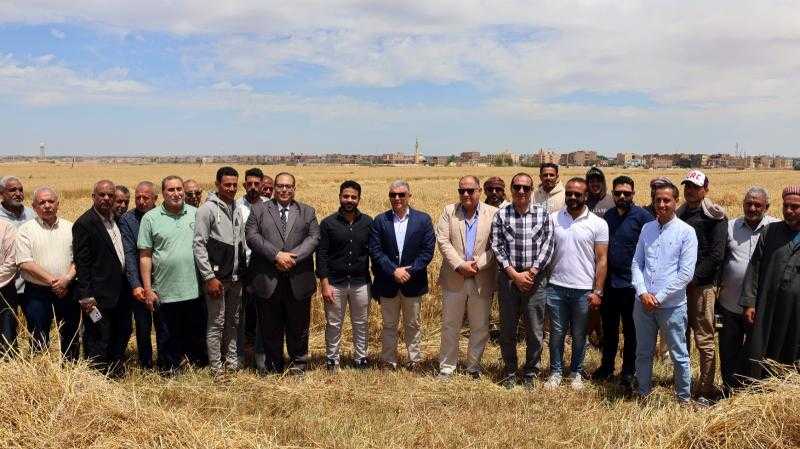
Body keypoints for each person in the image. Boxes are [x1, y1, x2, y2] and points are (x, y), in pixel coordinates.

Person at [245, 172, 319, 374]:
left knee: (299, 327)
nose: (284, 190)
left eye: (288, 186)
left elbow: (313, 239)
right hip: (268, 280)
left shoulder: (307, 211)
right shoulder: (258, 210)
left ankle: (298, 366)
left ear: (294, 188)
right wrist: (276, 255)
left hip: (298, 280)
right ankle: (273, 366)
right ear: (273, 188)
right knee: (270, 327)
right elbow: (251, 236)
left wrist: (290, 258)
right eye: (280, 186)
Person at [631, 180, 697, 403]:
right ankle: (643, 393)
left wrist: (657, 298)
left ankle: (683, 398)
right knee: (643, 352)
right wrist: (642, 292)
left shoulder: (686, 232)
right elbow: (637, 263)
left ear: (676, 201)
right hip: (643, 304)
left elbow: (685, 274)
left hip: (671, 306)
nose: (661, 204)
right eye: (657, 200)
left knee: (679, 355)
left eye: (666, 200)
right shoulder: (647, 228)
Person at [544, 177, 608, 391]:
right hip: (556, 287)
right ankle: (555, 372)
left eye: (577, 194)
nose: (572, 197)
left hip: (583, 290)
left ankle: (576, 372)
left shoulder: (598, 224)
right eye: (569, 193)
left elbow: (602, 260)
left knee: (580, 335)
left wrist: (598, 291)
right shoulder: (553, 219)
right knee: (557, 334)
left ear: (586, 196)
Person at [491, 172, 554, 388]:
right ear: (511, 189)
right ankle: (510, 371)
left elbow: (548, 246)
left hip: (535, 280)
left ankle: (531, 372)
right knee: (507, 330)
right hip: (509, 279)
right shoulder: (501, 215)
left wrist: (532, 273)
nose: (521, 191)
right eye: (517, 187)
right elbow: (497, 246)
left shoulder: (543, 214)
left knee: (535, 331)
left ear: (531, 190)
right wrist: (514, 275)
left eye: (526, 188)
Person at [138, 176, 205, 373]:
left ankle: (193, 367)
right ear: (163, 194)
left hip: (194, 289)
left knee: (193, 333)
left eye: (179, 189)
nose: (176, 194)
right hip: (165, 290)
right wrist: (148, 289)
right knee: (167, 335)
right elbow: (145, 256)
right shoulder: (150, 218)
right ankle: (169, 370)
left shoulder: (196, 214)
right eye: (171, 190)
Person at [593, 176, 653, 391]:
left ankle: (628, 371)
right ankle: (607, 366)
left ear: (633, 194)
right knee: (609, 330)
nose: (622, 196)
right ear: (613, 194)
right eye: (618, 193)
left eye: (626, 193)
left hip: (632, 286)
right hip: (610, 284)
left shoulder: (643, 218)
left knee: (631, 332)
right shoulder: (607, 217)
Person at [369, 180, 435, 371]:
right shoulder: (380, 220)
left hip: (413, 282)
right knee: (389, 325)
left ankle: (414, 360)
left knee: (413, 324)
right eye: (393, 195)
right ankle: (388, 361)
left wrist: (408, 271)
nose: (397, 198)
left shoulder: (423, 220)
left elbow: (427, 251)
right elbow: (375, 250)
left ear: (409, 196)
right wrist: (393, 271)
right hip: (387, 283)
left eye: (401, 194)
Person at [436, 176, 497, 379]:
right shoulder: (449, 211)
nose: (466, 194)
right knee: (450, 325)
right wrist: (460, 265)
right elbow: (443, 240)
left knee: (479, 326)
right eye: (461, 190)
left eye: (470, 190)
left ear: (479, 191)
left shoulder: (493, 213)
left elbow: (496, 245)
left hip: (482, 277)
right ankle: (447, 367)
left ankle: (473, 367)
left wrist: (478, 265)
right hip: (454, 277)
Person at [717, 187, 778, 394]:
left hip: (760, 308)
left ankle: (752, 393)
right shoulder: (730, 227)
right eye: (748, 204)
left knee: (756, 353)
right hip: (729, 304)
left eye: (757, 205)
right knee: (728, 350)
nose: (752, 208)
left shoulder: (775, 229)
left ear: (766, 207)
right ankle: (729, 390)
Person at [741, 186, 800, 379]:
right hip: (767, 305)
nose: (789, 211)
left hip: (796, 310)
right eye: (786, 206)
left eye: (795, 207)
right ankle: (760, 386)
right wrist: (749, 302)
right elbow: (754, 267)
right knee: (761, 349)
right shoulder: (771, 231)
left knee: (792, 349)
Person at [678, 169, 727, 402]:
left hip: (702, 288)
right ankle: (684, 383)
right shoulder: (679, 215)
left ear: (705, 190)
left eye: (695, 187)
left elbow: (716, 256)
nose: (690, 190)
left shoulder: (715, 217)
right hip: (681, 287)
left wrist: (692, 279)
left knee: (704, 339)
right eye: (687, 186)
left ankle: (706, 388)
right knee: (681, 337)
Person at [72, 180, 130, 375]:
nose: (106, 198)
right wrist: (86, 295)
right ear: (93, 197)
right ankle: (97, 374)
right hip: (98, 294)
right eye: (102, 195)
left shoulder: (118, 220)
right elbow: (82, 263)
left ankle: (115, 368)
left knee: (122, 330)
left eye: (110, 195)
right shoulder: (84, 224)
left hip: (121, 291)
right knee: (98, 335)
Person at [16, 187, 80, 360]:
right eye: (41, 202)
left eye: (51, 201)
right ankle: (41, 368)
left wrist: (66, 279)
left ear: (58, 204)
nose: (47, 205)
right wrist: (54, 282)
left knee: (70, 332)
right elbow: (25, 262)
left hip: (68, 290)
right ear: (34, 207)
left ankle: (71, 367)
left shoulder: (71, 227)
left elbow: (79, 259)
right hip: (37, 292)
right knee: (38, 333)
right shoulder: (25, 230)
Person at [316, 180, 373, 371]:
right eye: (346, 196)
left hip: (361, 282)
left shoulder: (368, 223)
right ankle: (332, 359)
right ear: (340, 197)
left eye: (353, 197)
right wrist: (324, 284)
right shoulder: (328, 223)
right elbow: (321, 255)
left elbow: (374, 252)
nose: (349, 200)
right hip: (335, 283)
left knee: (361, 323)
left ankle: (361, 358)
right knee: (333, 323)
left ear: (359, 199)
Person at [194, 167, 245, 376]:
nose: (231, 188)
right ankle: (216, 368)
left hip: (236, 277)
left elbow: (240, 242)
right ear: (217, 184)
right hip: (217, 279)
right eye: (227, 184)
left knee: (233, 322)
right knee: (216, 324)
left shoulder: (236, 207)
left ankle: (231, 362)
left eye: (234, 185)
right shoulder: (206, 210)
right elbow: (199, 245)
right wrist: (209, 277)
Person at [119, 181, 162, 369]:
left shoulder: (163, 216)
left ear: (155, 198)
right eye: (138, 197)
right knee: (143, 326)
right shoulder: (127, 220)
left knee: (163, 324)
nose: (141, 201)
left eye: (146, 197)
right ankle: (146, 363)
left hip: (162, 280)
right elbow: (129, 254)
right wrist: (136, 284)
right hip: (139, 282)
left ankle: (166, 360)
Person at [236, 168, 267, 370]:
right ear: (244, 185)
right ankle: (238, 356)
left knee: (263, 314)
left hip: (263, 268)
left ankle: (260, 357)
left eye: (257, 184)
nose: (253, 187)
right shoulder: (236, 206)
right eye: (250, 184)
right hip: (240, 267)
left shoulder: (269, 206)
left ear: (263, 184)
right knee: (238, 316)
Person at [0, 175, 35, 352]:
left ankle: (37, 358)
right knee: (7, 329)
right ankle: (10, 360)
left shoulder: (32, 214)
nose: (18, 193)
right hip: (5, 284)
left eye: (20, 189)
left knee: (36, 325)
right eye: (12, 190)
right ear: (1, 193)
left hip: (31, 282)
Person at [0, 220, 17, 356]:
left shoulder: (6, 228)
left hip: (4, 289)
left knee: (7, 337)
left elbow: (11, 262)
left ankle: (8, 363)